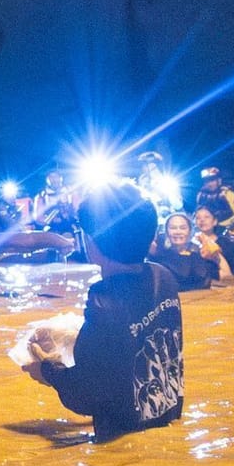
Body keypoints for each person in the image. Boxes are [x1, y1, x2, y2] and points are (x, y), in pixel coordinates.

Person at [21, 183, 184, 440]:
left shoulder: (104, 303)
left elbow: (87, 395)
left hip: (123, 440)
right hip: (166, 419)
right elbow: (135, 339)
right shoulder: (164, 278)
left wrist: (46, 371)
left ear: (92, 243)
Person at [147, 212, 229, 291]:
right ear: (167, 232)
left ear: (190, 232)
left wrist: (213, 249)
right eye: (173, 228)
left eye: (183, 228)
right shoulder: (159, 256)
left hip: (202, 302)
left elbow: (226, 275)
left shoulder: (198, 257)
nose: (178, 232)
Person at [192, 204, 234, 275]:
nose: (202, 220)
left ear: (215, 221)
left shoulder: (225, 243)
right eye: (198, 218)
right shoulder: (192, 246)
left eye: (207, 217)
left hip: (231, 283)